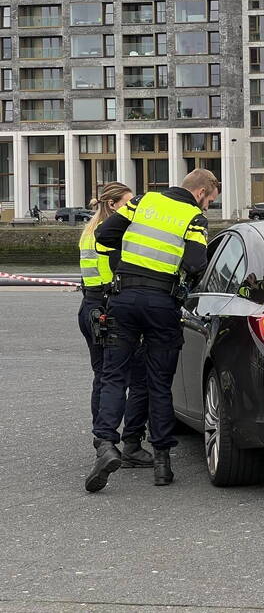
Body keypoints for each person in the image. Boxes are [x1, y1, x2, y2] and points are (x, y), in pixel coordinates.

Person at [87, 169, 218, 492]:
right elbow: (196, 263)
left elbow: (104, 236)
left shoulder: (143, 201)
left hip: (124, 298)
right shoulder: (194, 219)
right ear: (201, 192)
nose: (208, 208)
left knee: (114, 375)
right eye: (210, 201)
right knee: (159, 382)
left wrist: (127, 265)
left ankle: (105, 445)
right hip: (161, 303)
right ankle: (162, 464)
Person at [77, 182, 153, 469]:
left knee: (104, 375)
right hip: (109, 310)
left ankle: (103, 444)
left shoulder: (87, 232)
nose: (130, 208)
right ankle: (131, 443)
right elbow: (118, 275)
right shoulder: (112, 236)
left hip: (89, 308)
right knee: (136, 377)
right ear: (113, 205)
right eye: (127, 203)